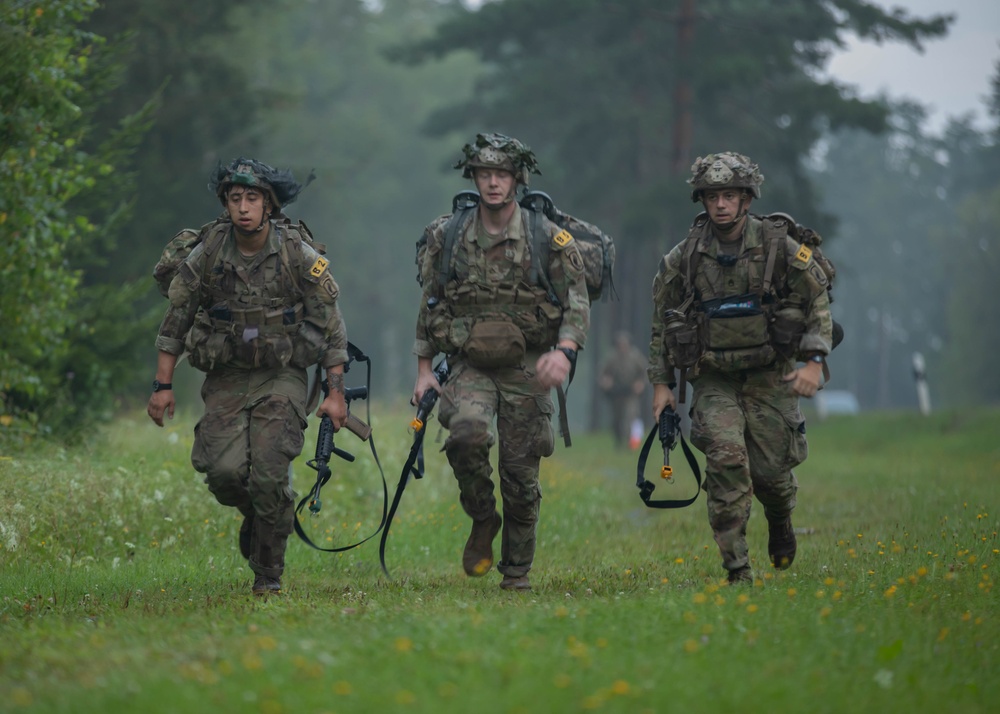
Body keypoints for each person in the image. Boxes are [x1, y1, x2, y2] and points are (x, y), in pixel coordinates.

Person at [147, 158, 349, 596]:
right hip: (228, 376)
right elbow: (177, 317)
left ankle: (268, 575)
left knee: (270, 472)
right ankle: (261, 516)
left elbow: (330, 323)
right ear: (225, 204)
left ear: (269, 205)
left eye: (252, 198)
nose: (243, 207)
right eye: (235, 199)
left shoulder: (295, 251)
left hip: (283, 374)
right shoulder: (211, 250)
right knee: (221, 472)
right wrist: (162, 386)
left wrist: (335, 394)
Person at [412, 133, 591, 591]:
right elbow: (430, 303)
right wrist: (424, 371)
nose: (493, 183)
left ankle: (516, 572)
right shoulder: (447, 234)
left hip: (527, 367)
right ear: (473, 178)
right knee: (467, 435)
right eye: (484, 174)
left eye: (502, 174)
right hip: (469, 364)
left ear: (517, 180)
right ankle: (481, 516)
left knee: (520, 474)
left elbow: (576, 301)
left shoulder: (547, 237)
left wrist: (564, 351)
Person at [647, 152, 833, 584]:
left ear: (747, 199)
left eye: (730, 195)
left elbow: (817, 300)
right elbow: (662, 320)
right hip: (713, 379)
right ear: (702, 201)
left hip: (772, 375)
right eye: (712, 197)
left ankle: (781, 519)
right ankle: (737, 569)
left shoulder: (778, 246)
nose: (721, 205)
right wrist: (661, 384)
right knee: (727, 461)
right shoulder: (686, 255)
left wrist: (815, 360)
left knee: (770, 475)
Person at [598, 331, 648, 448]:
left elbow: (644, 372)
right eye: (620, 344)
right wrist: (606, 381)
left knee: (630, 418)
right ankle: (618, 442)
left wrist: (640, 383)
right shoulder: (611, 357)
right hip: (616, 393)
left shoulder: (635, 357)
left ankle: (630, 443)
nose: (622, 346)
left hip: (630, 393)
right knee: (617, 419)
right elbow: (603, 373)